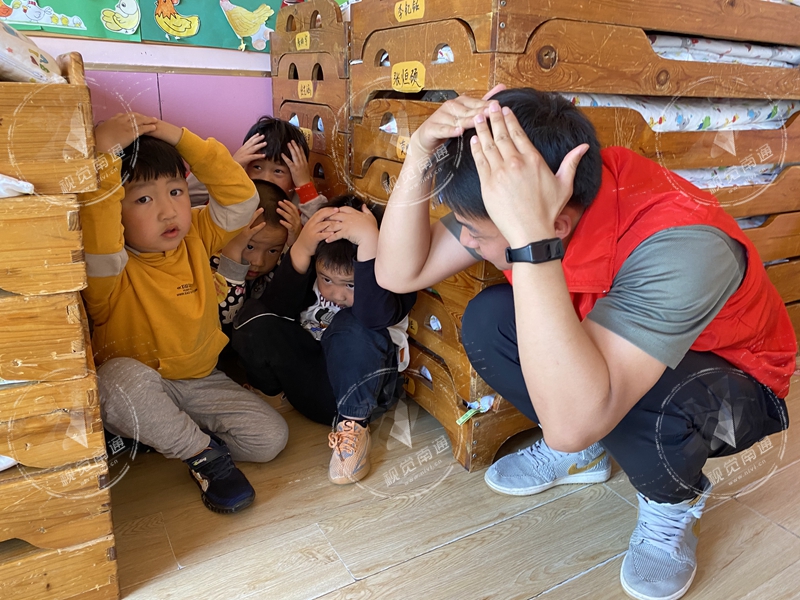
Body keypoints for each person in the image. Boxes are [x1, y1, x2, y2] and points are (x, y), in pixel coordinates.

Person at [374, 87, 795, 600]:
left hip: (732, 390)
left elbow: (572, 422)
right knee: (491, 322)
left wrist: (531, 244)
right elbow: (398, 273)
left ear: (554, 223)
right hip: (615, 340)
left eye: (476, 234)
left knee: (638, 406)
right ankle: (587, 456)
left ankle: (671, 503)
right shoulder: (541, 192)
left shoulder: (683, 245)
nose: (467, 243)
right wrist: (420, 151)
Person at [81, 113, 289, 514]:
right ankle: (204, 458)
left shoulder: (196, 233)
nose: (168, 212)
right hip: (140, 387)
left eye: (176, 191)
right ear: (116, 211)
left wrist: (177, 136)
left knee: (270, 439)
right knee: (115, 381)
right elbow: (96, 219)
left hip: (200, 381)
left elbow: (241, 200)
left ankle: (170, 437)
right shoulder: (109, 266)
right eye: (143, 199)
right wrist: (103, 151)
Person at [232, 195, 417, 485]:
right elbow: (276, 307)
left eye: (350, 284)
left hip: (361, 395)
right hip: (308, 384)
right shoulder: (315, 272)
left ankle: (352, 430)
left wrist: (370, 243)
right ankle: (275, 395)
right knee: (254, 316)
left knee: (352, 322)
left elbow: (371, 317)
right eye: (326, 279)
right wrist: (303, 246)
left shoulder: (392, 283)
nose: (336, 294)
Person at [188, 116, 326, 222]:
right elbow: (189, 198)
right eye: (257, 167)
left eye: (278, 171)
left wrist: (304, 185)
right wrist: (230, 167)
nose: (265, 179)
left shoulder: (299, 204)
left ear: (294, 178)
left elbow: (322, 227)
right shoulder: (231, 192)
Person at [211, 180, 300, 334]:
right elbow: (225, 319)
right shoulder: (207, 260)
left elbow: (286, 298)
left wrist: (296, 247)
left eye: (273, 251)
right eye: (250, 246)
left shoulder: (276, 263)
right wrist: (232, 253)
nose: (258, 262)